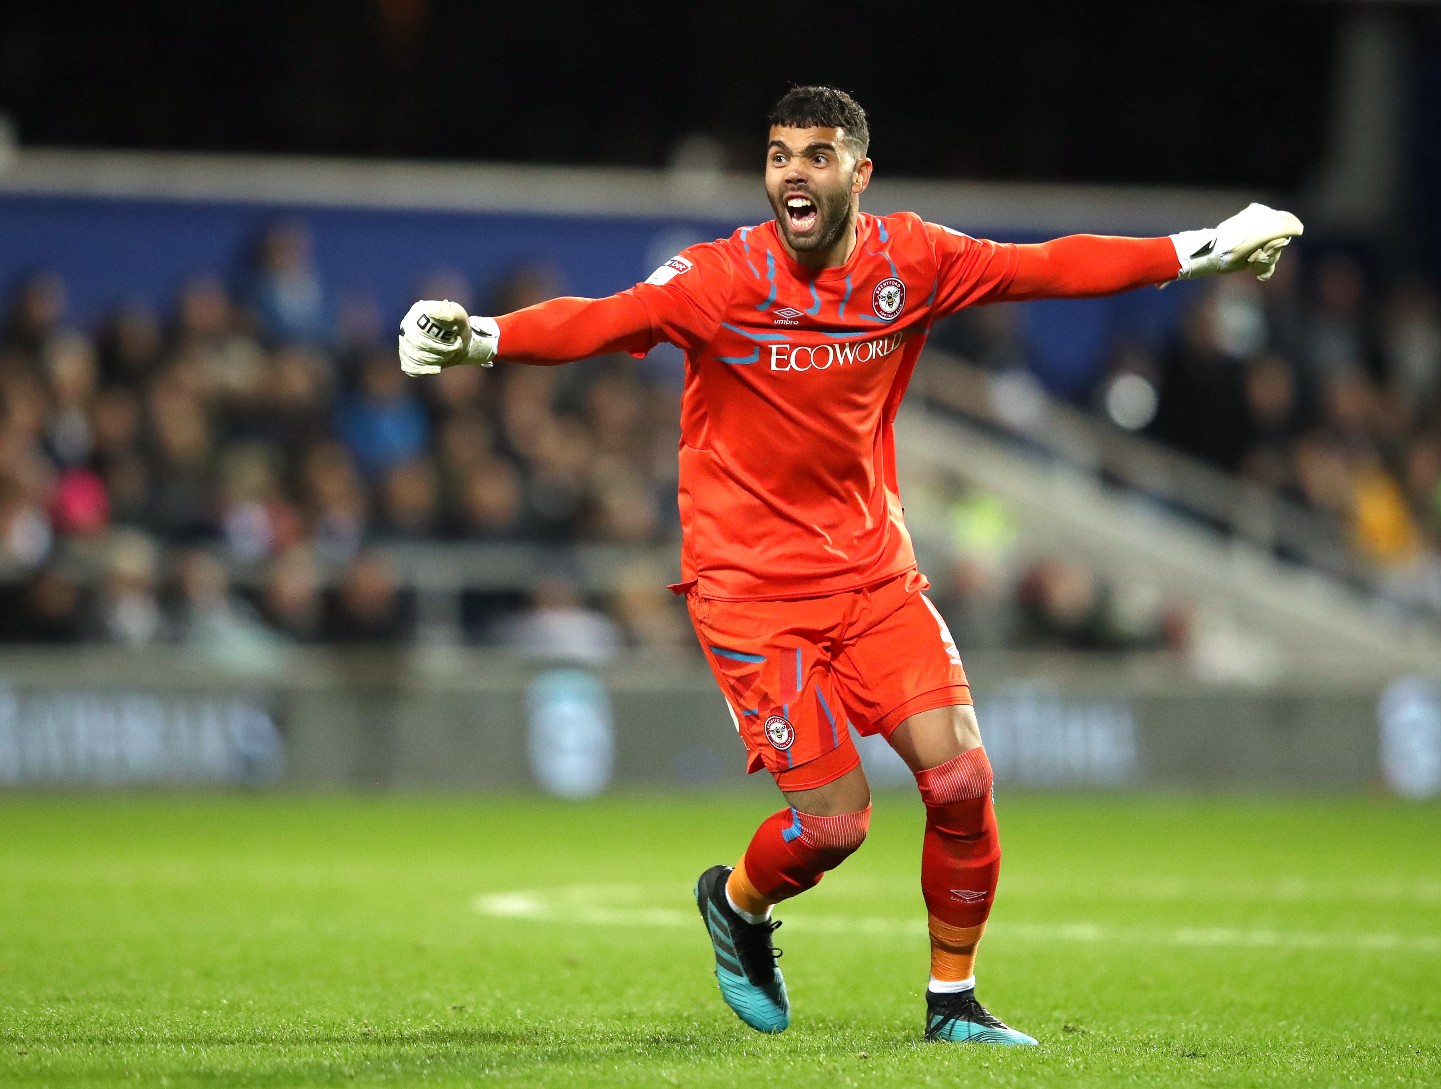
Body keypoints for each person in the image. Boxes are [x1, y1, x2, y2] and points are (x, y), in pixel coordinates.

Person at [397, 86, 1302, 1046]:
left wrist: (1204, 248)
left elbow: (1053, 267)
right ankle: (737, 906)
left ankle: (952, 1005)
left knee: (960, 781)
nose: (794, 170)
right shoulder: (720, 277)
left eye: (817, 155)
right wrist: (488, 340)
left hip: (873, 576)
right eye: (781, 153)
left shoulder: (911, 260)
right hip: (749, 592)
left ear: (858, 174)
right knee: (835, 825)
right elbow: (607, 320)